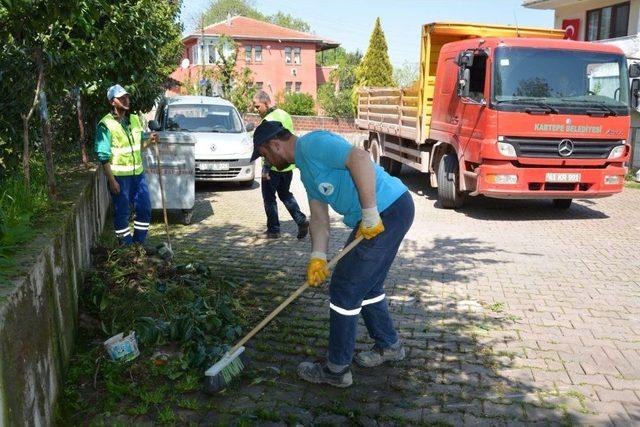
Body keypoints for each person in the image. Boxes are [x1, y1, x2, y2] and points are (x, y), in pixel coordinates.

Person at [250, 121, 414, 387]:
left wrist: (370, 212)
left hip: (387, 210)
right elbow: (318, 218)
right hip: (380, 215)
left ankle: (336, 370)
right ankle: (389, 345)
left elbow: (359, 157)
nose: (266, 162)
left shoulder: (314, 144)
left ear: (275, 145)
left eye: (265, 155)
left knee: (345, 287)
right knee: (368, 286)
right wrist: (317, 256)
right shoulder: (306, 170)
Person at [95, 84, 157, 245]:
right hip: (119, 177)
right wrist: (111, 180)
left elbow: (138, 146)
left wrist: (150, 141)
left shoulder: (135, 120)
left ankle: (139, 244)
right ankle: (126, 247)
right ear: (112, 102)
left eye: (127, 97)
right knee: (122, 213)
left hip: (138, 175)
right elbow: (103, 156)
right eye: (121, 98)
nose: (126, 100)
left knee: (144, 209)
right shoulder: (106, 124)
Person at [252, 90, 308, 239]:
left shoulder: (267, 121)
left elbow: (268, 149)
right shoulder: (284, 114)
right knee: (285, 194)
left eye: (258, 107)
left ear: (266, 103)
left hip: (273, 167)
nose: (256, 110)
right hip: (288, 166)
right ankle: (300, 219)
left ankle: (273, 230)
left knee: (269, 198)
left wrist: (265, 168)